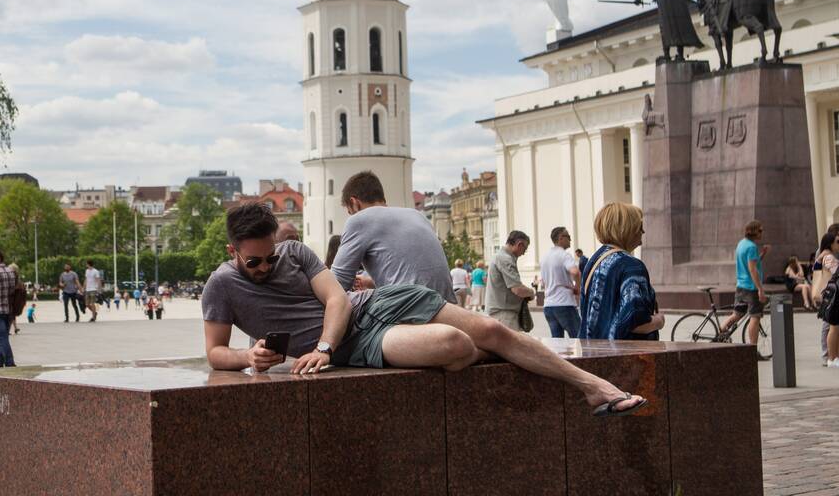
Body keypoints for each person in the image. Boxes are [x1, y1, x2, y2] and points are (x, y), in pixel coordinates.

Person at [202, 203, 647, 416]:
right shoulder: (222, 285)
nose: (263, 267)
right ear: (233, 252)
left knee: (492, 330)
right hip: (362, 341)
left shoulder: (295, 252)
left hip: (376, 303)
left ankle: (594, 387)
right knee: (454, 343)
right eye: (253, 261)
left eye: (269, 258)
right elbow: (216, 352)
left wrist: (322, 345)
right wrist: (249, 357)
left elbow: (336, 297)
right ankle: (522, 356)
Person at [330, 171, 455, 302]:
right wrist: (371, 282)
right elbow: (415, 274)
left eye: (351, 212)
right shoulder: (417, 215)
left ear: (355, 202)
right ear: (382, 199)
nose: (352, 216)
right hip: (445, 302)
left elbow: (337, 283)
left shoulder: (359, 220)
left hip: (411, 306)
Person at [579, 203, 663, 340]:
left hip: (594, 350)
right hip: (625, 355)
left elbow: (585, 312)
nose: (643, 232)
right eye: (639, 227)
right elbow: (636, 323)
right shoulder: (631, 266)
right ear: (626, 229)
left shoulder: (594, 261)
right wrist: (659, 321)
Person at [719, 220, 769, 359]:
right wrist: (760, 289)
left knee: (737, 314)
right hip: (751, 288)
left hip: (740, 287)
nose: (762, 233)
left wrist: (763, 254)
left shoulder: (741, 244)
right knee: (755, 317)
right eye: (760, 230)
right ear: (753, 231)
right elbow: (752, 269)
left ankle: (721, 332)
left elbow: (752, 263)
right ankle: (752, 350)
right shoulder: (752, 247)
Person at [486, 232, 534, 331]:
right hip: (505, 315)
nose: (524, 253)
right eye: (525, 249)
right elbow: (518, 289)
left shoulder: (501, 256)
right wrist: (531, 292)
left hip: (502, 313)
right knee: (509, 346)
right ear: (519, 244)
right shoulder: (505, 259)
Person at [540, 227, 581, 338]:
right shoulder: (564, 255)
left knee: (557, 343)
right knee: (579, 338)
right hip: (564, 303)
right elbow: (575, 272)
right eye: (568, 237)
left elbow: (543, 283)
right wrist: (577, 287)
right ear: (561, 238)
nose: (570, 240)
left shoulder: (544, 257)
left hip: (548, 305)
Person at [813, 232, 838, 365]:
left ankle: (830, 355)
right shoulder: (828, 256)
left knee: (829, 324)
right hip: (832, 294)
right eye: (837, 241)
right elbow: (836, 272)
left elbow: (815, 269)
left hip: (828, 293)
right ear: (831, 243)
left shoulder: (823, 254)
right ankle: (829, 356)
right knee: (830, 325)